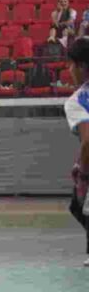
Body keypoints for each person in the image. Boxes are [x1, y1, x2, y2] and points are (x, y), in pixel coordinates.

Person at [64, 38, 89, 265]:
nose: (69, 71)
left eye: (71, 65)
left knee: (82, 205)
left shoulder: (78, 100)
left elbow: (88, 141)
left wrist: (82, 172)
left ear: (81, 66)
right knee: (77, 205)